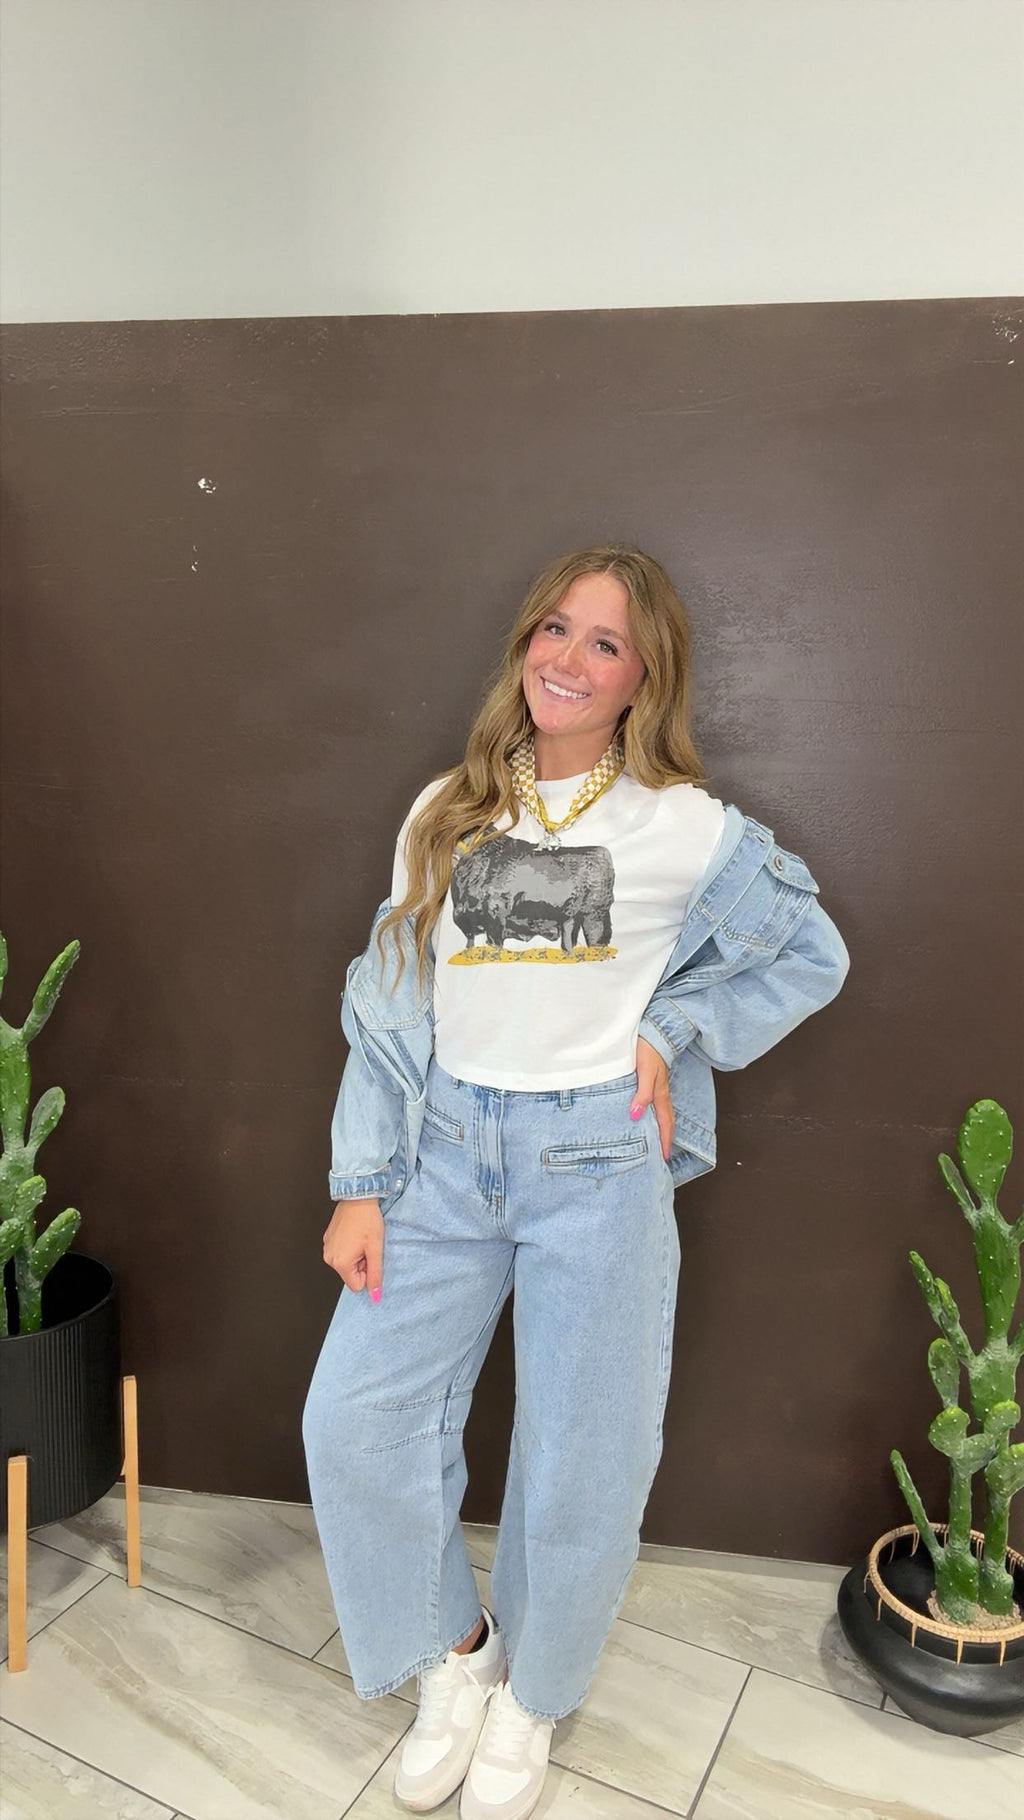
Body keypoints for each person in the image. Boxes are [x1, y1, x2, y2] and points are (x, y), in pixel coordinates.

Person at [302, 544, 850, 1820]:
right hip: (441, 1154)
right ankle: (457, 1652)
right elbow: (388, 1002)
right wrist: (361, 1180)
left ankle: (535, 1695)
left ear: (642, 676)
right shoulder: (446, 806)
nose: (569, 657)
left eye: (604, 642)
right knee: (356, 1417)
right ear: (524, 643)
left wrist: (675, 1026)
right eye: (555, 628)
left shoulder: (683, 825)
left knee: (581, 1451)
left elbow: (809, 951)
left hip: (596, 1164)